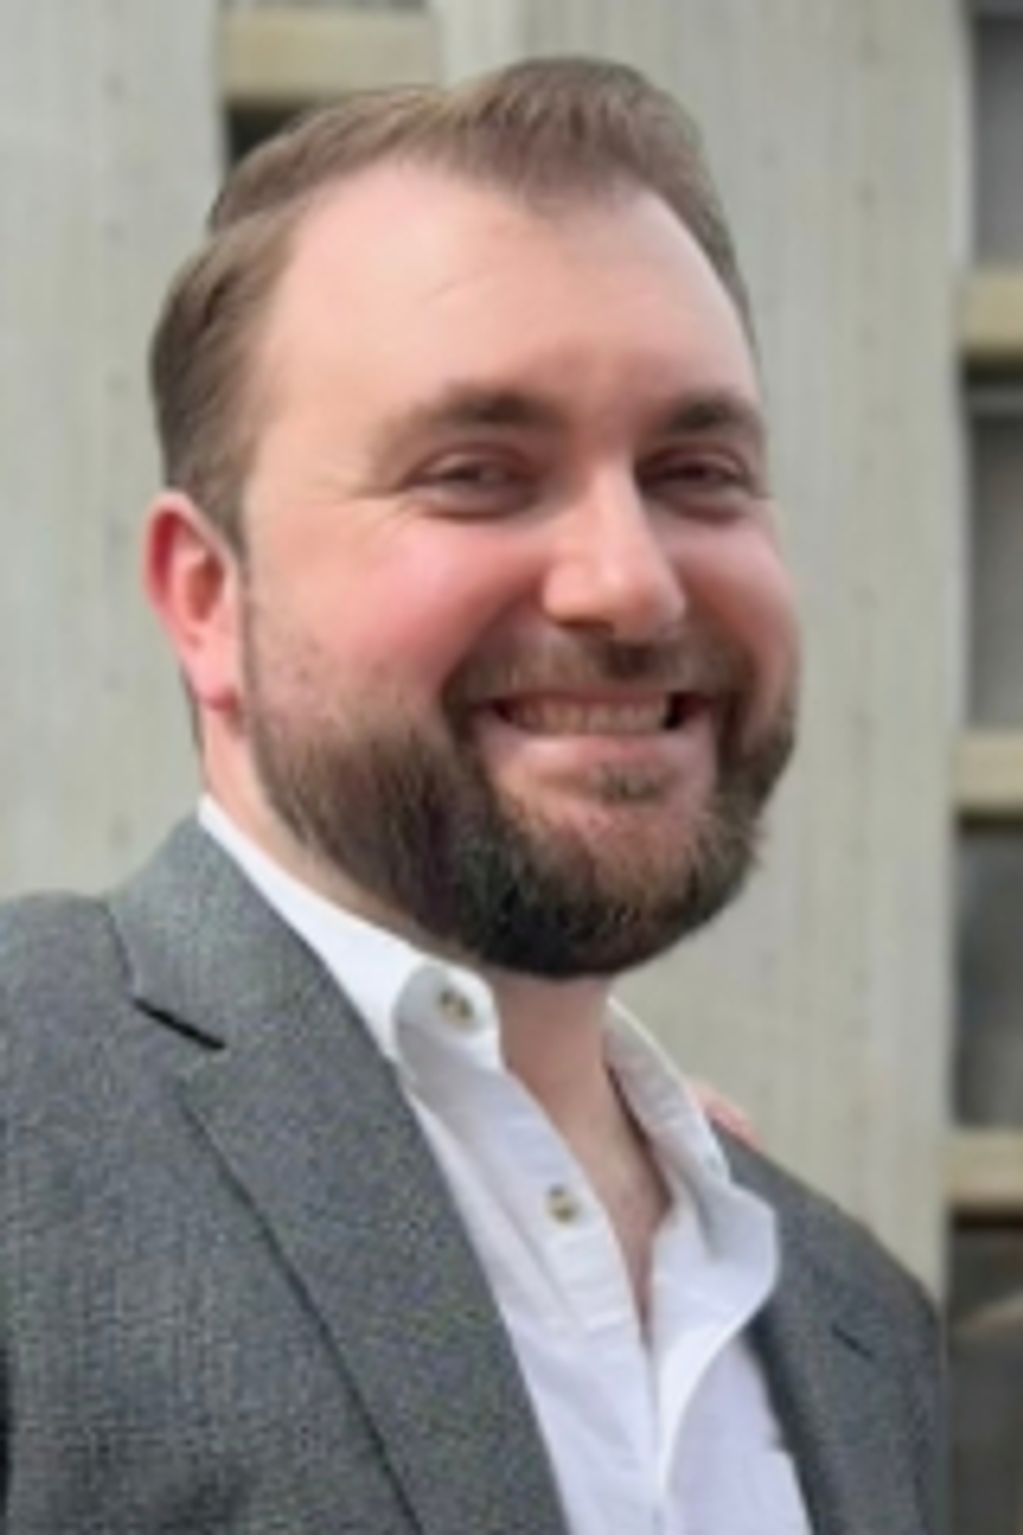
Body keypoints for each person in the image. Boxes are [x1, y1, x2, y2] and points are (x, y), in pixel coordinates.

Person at [1, 56, 939, 1535]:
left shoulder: (856, 1326)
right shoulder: (29, 1118)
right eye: (476, 474)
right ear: (207, 599)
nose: (630, 583)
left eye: (697, 470)